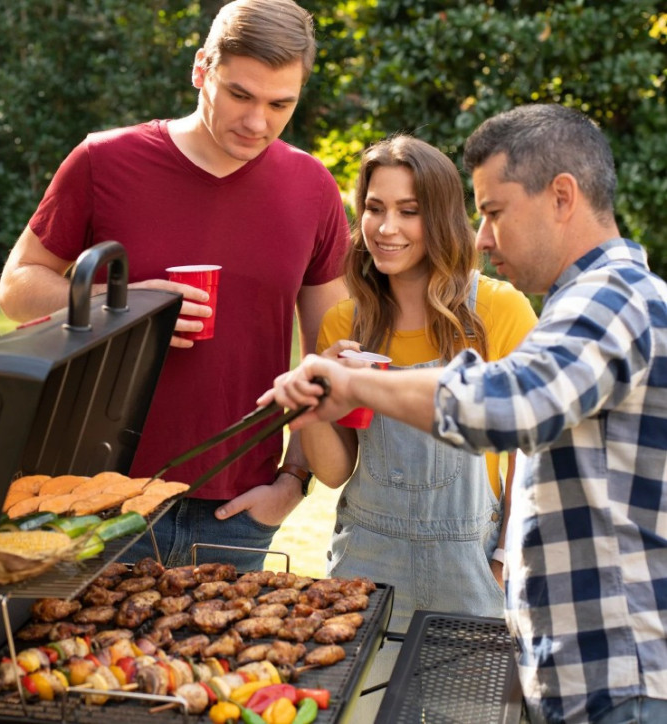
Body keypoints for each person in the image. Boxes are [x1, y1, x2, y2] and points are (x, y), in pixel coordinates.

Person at [261, 103, 667, 724]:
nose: (483, 237)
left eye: (495, 213)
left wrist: (356, 386)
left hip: (612, 670)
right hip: (570, 659)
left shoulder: (606, 301)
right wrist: (318, 404)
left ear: (562, 196)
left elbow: (510, 407)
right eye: (374, 208)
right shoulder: (584, 303)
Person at [0, 0, 350, 572]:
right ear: (200, 69)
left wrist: (292, 482)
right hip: (100, 500)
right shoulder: (104, 160)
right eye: (240, 94)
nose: (257, 121)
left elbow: (330, 358)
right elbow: (17, 287)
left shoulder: (313, 188)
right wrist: (127, 304)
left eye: (280, 103)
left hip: (236, 511)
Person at [301, 135, 537, 634]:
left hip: (472, 574)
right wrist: (318, 395)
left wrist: (504, 558)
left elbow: (532, 453)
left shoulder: (497, 311)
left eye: (410, 211)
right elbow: (333, 472)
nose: (387, 228)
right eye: (374, 208)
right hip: (365, 568)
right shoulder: (346, 324)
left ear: (443, 217)